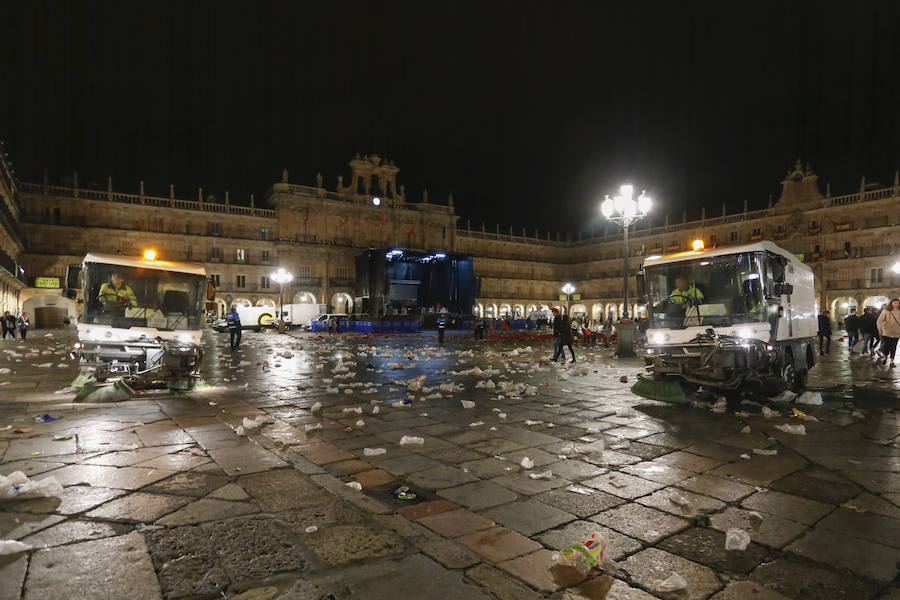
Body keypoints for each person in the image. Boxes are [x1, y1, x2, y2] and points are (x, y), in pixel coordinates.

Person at [875, 298, 900, 368]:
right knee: (886, 346)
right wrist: (879, 329)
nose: (896, 304)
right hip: (886, 332)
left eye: (897, 303)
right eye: (894, 303)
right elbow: (879, 320)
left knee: (893, 347)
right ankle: (885, 357)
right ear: (891, 303)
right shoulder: (886, 311)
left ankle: (892, 361)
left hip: (896, 332)